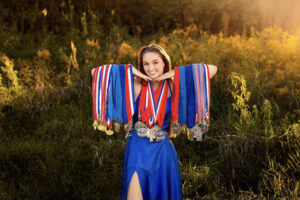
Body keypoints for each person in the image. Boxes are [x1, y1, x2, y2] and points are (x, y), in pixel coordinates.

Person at [91, 44, 217, 200]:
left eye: (156, 62)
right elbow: (96, 73)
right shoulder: (136, 85)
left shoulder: (173, 85)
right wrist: (131, 70)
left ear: (164, 62)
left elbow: (211, 70)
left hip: (162, 152)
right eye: (146, 64)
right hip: (138, 149)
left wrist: (169, 74)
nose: (151, 68)